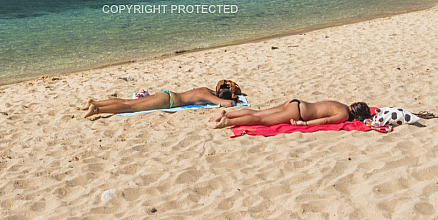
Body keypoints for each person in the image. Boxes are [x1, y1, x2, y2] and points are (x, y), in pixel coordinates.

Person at [81, 82, 242, 118]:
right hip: (169, 102)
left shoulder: (206, 89)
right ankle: (97, 110)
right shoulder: (209, 96)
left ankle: (95, 103)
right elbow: (226, 104)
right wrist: (236, 100)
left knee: (128, 102)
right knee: (130, 107)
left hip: (167, 93)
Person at [211, 99, 370, 129]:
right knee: (262, 121)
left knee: (259, 112)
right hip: (299, 113)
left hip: (296, 103)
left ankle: (228, 114)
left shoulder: (341, 104)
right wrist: (304, 124)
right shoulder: (343, 114)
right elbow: (325, 120)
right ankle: (227, 122)